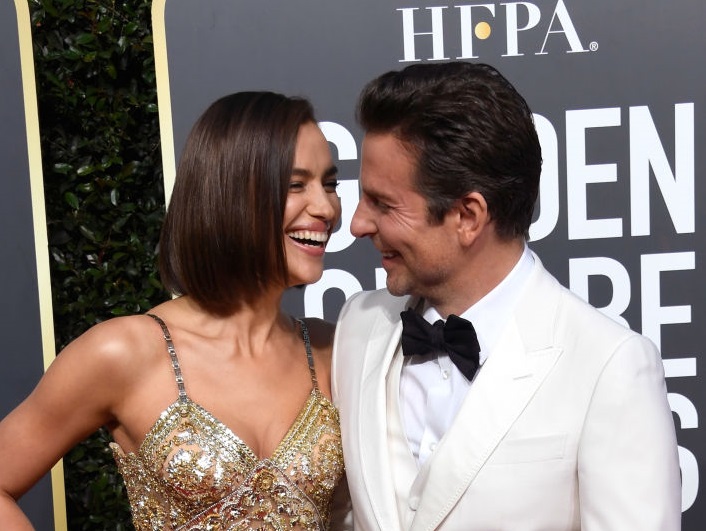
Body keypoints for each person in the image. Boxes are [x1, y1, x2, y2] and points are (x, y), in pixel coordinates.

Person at [332, 62, 681, 530]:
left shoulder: (608, 365)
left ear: (468, 216)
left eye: (383, 204)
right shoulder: (358, 326)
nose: (357, 224)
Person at [0, 91, 347, 530]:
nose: (326, 208)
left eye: (330, 184)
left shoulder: (332, 351)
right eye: (296, 185)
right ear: (231, 193)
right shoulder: (125, 351)